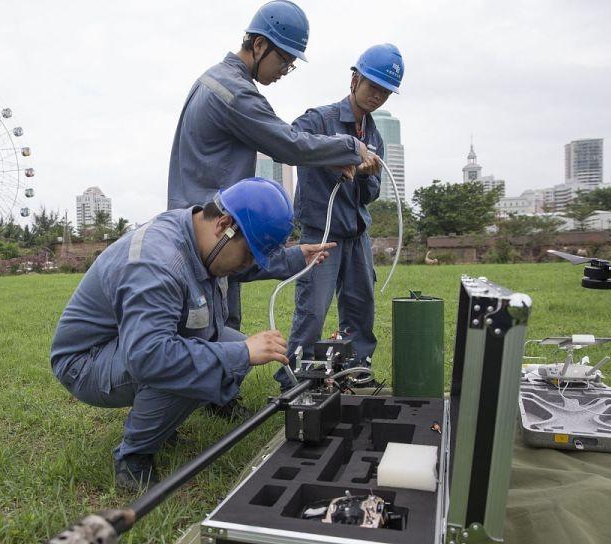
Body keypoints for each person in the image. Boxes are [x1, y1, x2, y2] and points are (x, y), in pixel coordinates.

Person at [50, 178, 336, 491]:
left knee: (225, 349)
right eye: (249, 254)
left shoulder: (200, 232)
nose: (248, 264)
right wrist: (241, 355)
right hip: (86, 362)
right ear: (225, 225)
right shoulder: (158, 263)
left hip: (127, 344)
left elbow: (241, 263)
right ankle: (133, 459)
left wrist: (297, 256)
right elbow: (149, 356)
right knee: (207, 361)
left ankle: (161, 421)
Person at [167, 0, 379, 336]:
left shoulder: (211, 81)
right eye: (284, 60)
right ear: (259, 44)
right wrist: (350, 147)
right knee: (212, 333)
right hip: (211, 230)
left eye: (291, 65)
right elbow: (288, 143)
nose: (284, 70)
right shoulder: (234, 94)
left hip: (196, 224)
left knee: (217, 326)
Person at [275, 44, 405, 392]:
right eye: (372, 86)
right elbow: (291, 141)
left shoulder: (374, 134)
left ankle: (356, 369)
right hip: (321, 230)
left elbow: (372, 192)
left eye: (385, 91)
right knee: (313, 310)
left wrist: (364, 175)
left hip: (357, 232)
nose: (377, 96)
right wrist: (338, 151)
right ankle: (295, 378)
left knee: (361, 306)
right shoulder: (320, 119)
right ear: (354, 79)